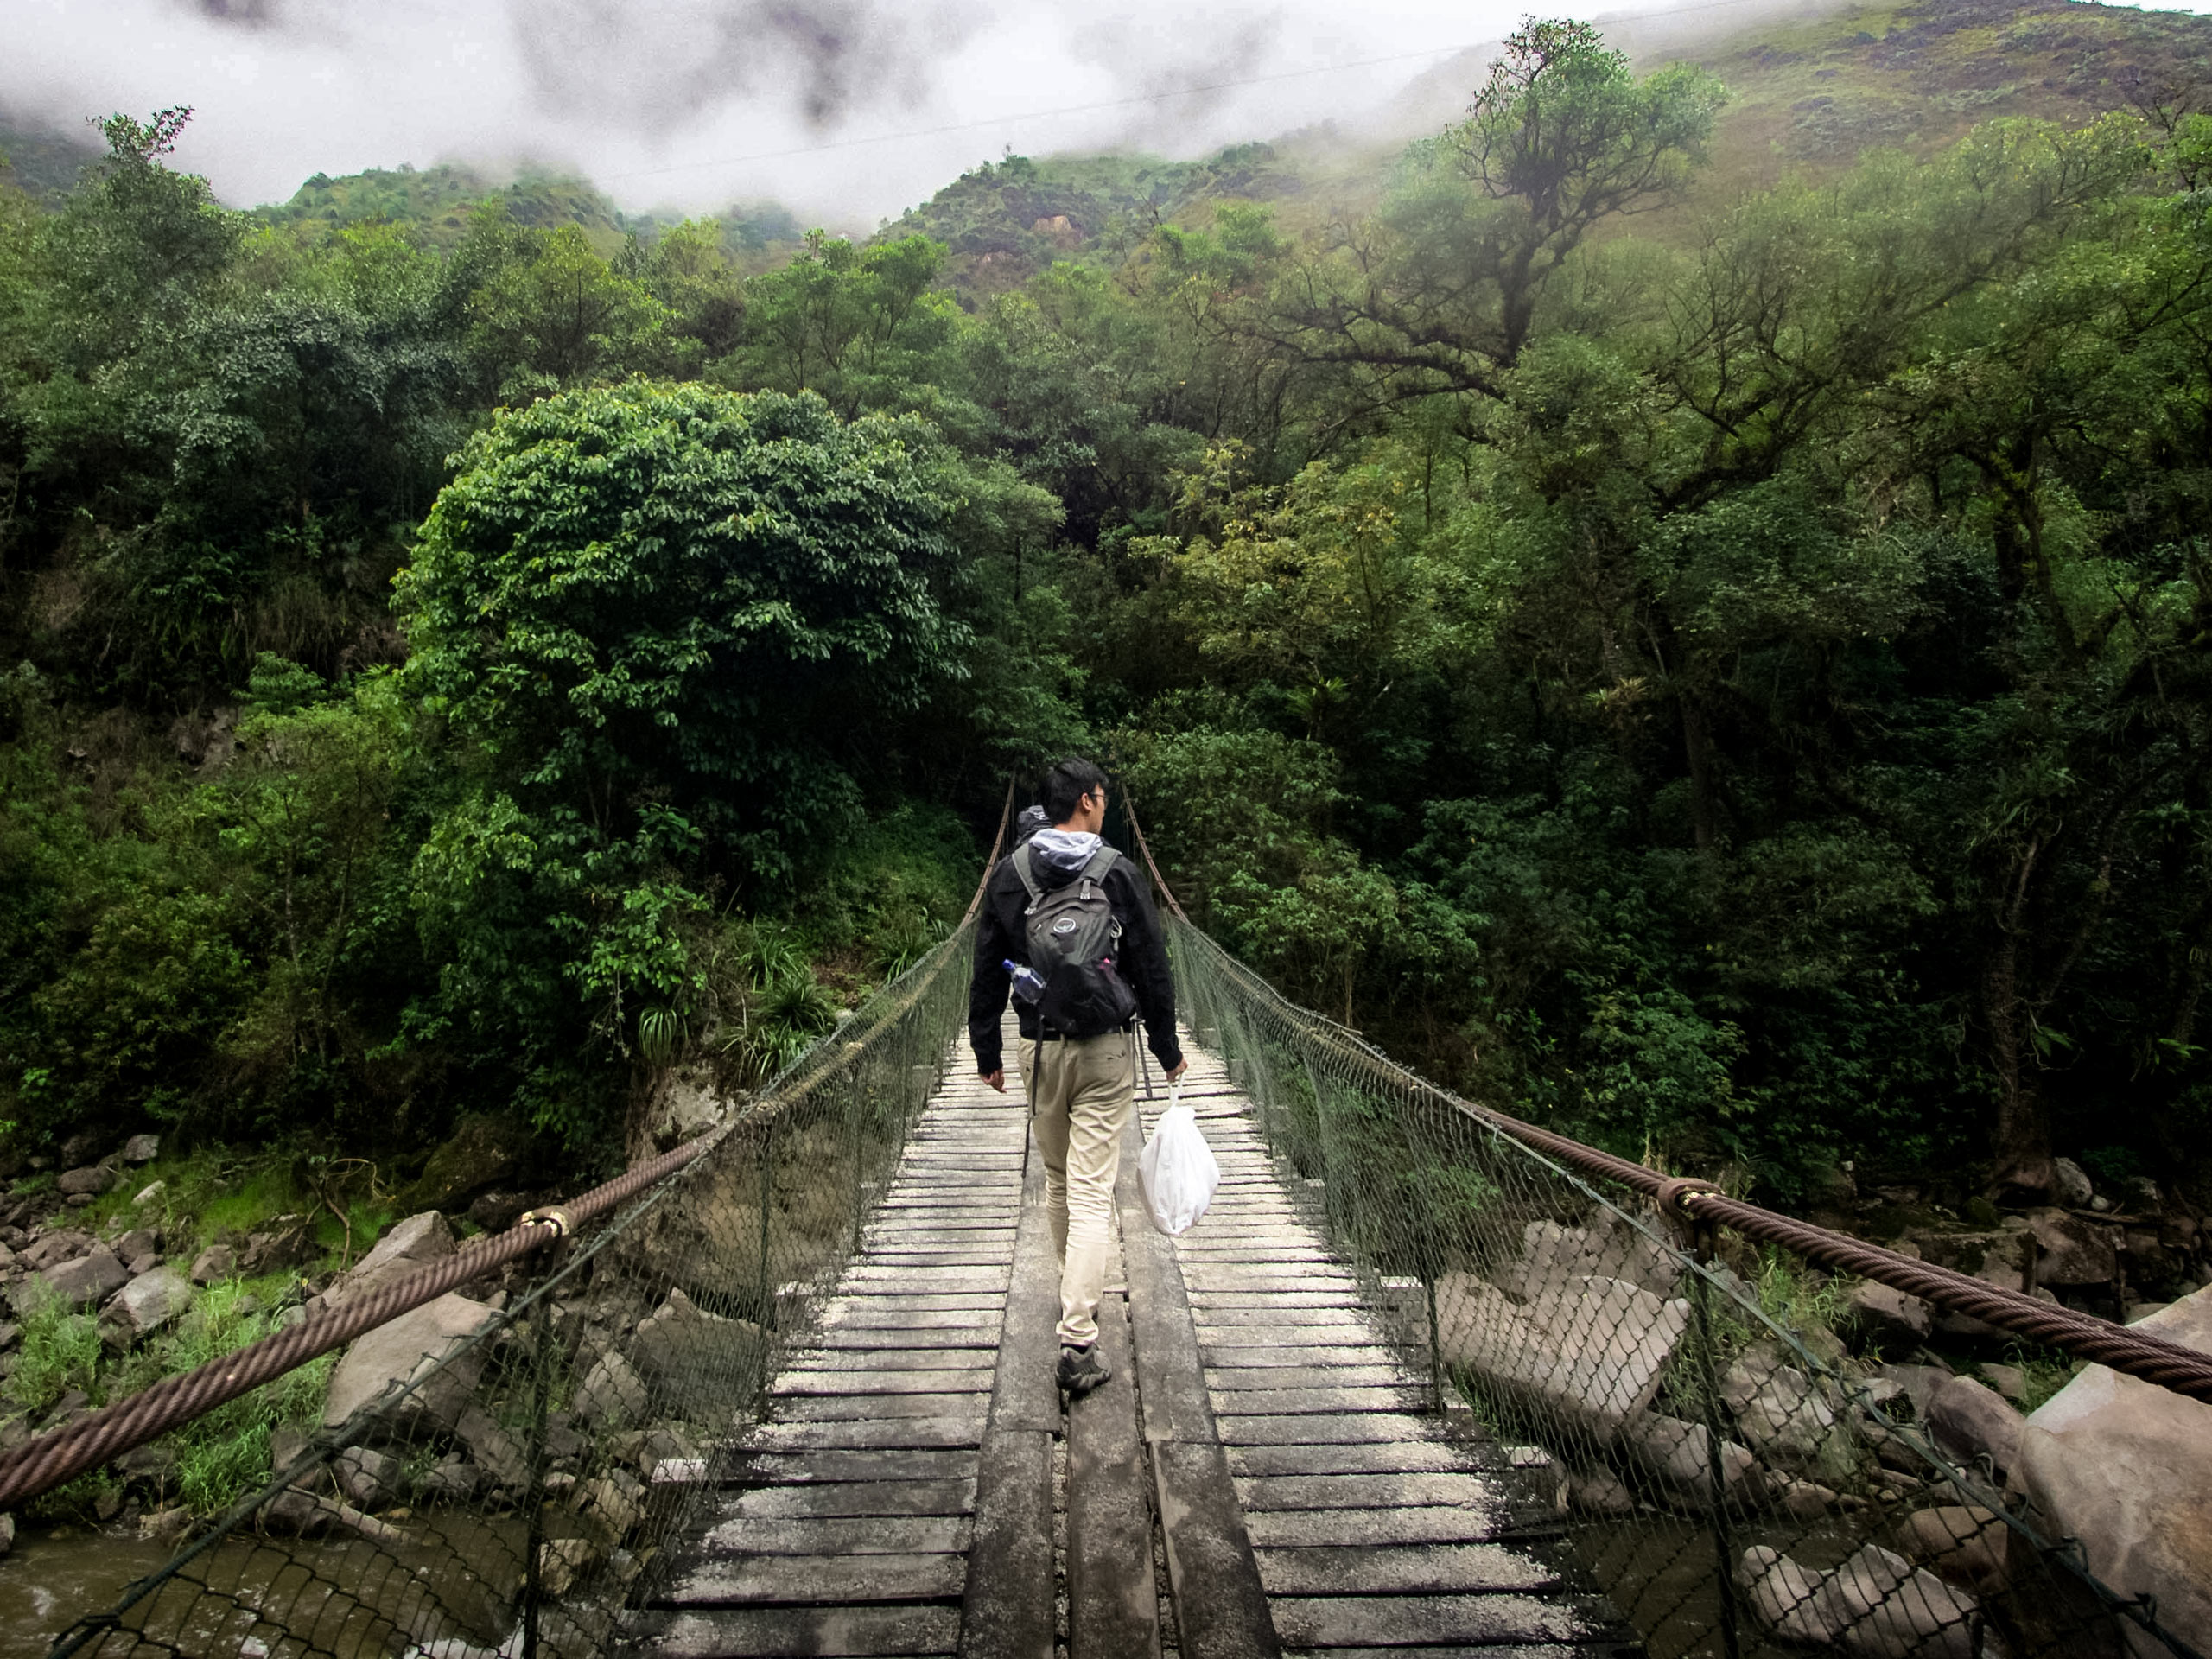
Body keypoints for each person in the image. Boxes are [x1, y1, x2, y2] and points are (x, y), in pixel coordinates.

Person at [969, 758, 1186, 1396]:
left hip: (1040, 1049)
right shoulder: (1117, 871)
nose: (1106, 805)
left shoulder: (1010, 877)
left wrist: (987, 1051)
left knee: (1061, 1182)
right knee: (1093, 1191)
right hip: (1106, 1053)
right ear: (1088, 801)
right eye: (1103, 797)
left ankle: (1076, 1298)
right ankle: (1077, 1336)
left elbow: (986, 967)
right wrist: (1166, 1045)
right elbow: (1151, 964)